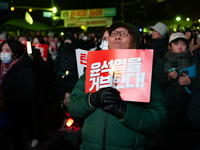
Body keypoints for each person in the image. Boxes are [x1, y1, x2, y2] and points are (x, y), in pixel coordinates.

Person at [67, 21, 167, 150]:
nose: (118, 36)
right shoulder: (93, 71)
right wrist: (91, 99)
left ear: (134, 44)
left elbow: (159, 118)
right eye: (114, 33)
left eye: (124, 33)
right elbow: (73, 108)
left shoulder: (145, 74)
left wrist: (124, 111)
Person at [153, 32, 200, 150]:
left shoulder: (193, 61)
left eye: (183, 44)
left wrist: (191, 82)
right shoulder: (163, 62)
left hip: (189, 113)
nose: (180, 47)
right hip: (168, 113)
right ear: (169, 46)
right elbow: (153, 83)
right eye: (176, 44)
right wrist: (167, 78)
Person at [0, 39, 36, 150]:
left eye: (7, 50)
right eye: (2, 50)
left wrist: (5, 103)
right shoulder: (2, 67)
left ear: (15, 53)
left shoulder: (25, 69)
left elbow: (24, 95)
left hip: (16, 117)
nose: (3, 53)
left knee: (17, 144)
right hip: (3, 114)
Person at [54, 34, 79, 103]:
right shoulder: (61, 53)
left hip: (72, 83)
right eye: (66, 40)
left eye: (69, 41)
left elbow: (79, 69)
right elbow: (55, 65)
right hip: (61, 83)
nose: (67, 43)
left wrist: (72, 74)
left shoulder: (76, 53)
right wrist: (58, 71)